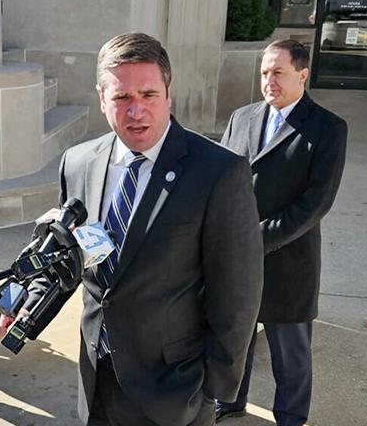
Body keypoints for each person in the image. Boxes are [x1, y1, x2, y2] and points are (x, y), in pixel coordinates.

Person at [22, 33, 264, 426]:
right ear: (102, 98)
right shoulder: (78, 163)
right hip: (96, 379)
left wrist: (213, 390)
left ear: (168, 94)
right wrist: (27, 302)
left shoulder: (219, 173)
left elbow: (238, 294)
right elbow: (70, 256)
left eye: (148, 94)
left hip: (174, 391)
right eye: (121, 98)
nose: (136, 110)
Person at [217, 39, 348, 426]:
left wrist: (254, 238)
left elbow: (316, 203)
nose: (268, 80)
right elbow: (219, 180)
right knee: (235, 340)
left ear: (303, 75)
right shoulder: (242, 118)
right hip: (237, 263)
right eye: (263, 72)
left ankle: (291, 416)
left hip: (289, 261)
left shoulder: (328, 128)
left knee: (290, 353)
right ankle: (229, 401)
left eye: (278, 72)